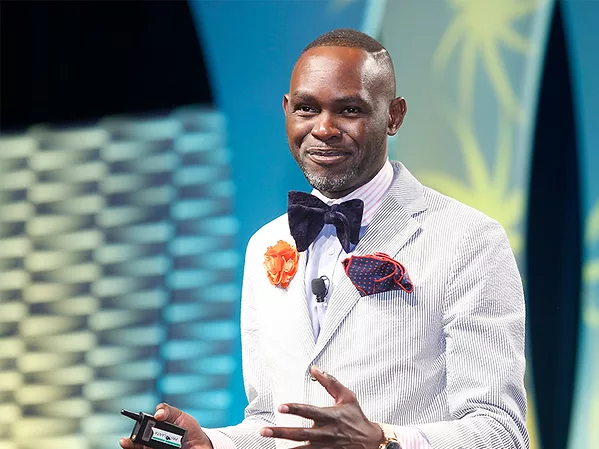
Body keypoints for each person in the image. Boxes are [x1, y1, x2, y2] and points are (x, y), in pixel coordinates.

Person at [120, 28, 528, 449]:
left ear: (394, 116)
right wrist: (210, 443)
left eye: (349, 109)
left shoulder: (469, 241)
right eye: (306, 109)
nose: (325, 129)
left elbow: (502, 432)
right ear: (287, 110)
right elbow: (271, 421)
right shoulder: (265, 245)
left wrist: (383, 440)